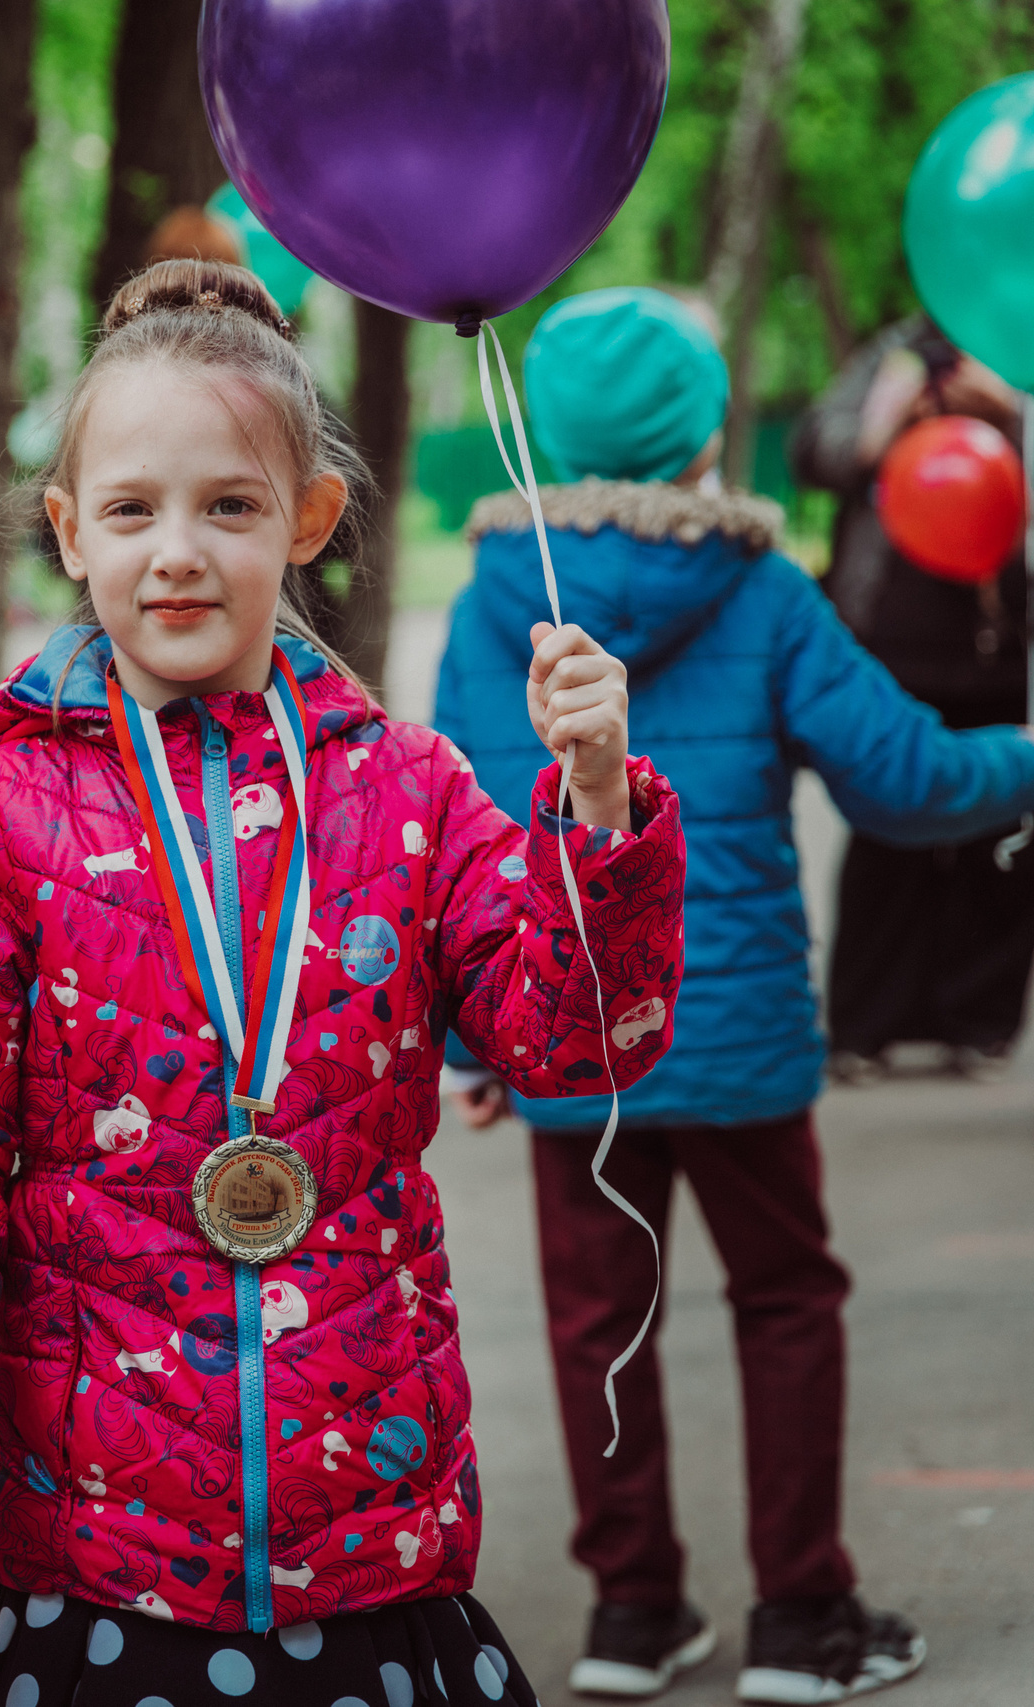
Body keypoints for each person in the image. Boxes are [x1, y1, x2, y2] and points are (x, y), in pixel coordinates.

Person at [0, 259, 687, 1706]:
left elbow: (573, 1041)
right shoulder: (5, 813)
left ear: (307, 519)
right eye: (131, 509)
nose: (178, 552)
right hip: (89, 1539)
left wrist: (596, 805)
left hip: (361, 1539)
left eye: (229, 506)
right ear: (68, 531)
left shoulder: (409, 789)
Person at [437, 287, 1021, 1701]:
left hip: (575, 1034)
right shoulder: (764, 590)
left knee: (598, 1320)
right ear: (705, 432)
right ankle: (801, 1617)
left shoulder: (498, 600)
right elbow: (907, 778)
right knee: (784, 1298)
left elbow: (455, 829)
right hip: (739, 1031)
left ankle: (632, 1610)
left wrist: (476, 1029)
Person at [790, 320, 1034, 1075]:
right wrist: (889, 419)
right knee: (887, 832)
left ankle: (977, 1019)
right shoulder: (894, 352)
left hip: (1000, 646)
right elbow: (817, 451)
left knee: (1000, 839)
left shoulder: (1017, 354)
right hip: (890, 642)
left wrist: (1009, 414)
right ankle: (866, 1024)